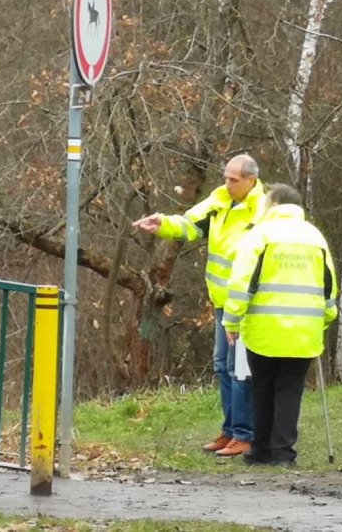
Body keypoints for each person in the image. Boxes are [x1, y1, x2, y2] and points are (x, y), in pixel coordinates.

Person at [132, 154, 265, 457]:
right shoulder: (219, 201)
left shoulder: (262, 210)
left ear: (251, 180)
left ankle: (245, 434)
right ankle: (230, 430)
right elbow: (190, 225)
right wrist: (162, 224)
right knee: (222, 365)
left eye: (234, 179)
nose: (227, 183)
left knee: (239, 369)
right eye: (226, 177)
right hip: (221, 300)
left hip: (246, 303)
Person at [220, 183, 337, 467]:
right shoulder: (315, 237)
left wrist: (231, 319)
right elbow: (329, 287)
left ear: (273, 204)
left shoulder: (260, 235)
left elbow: (241, 283)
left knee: (261, 387)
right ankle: (284, 453)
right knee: (290, 389)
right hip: (305, 330)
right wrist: (324, 320)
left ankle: (260, 450)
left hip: (264, 327)